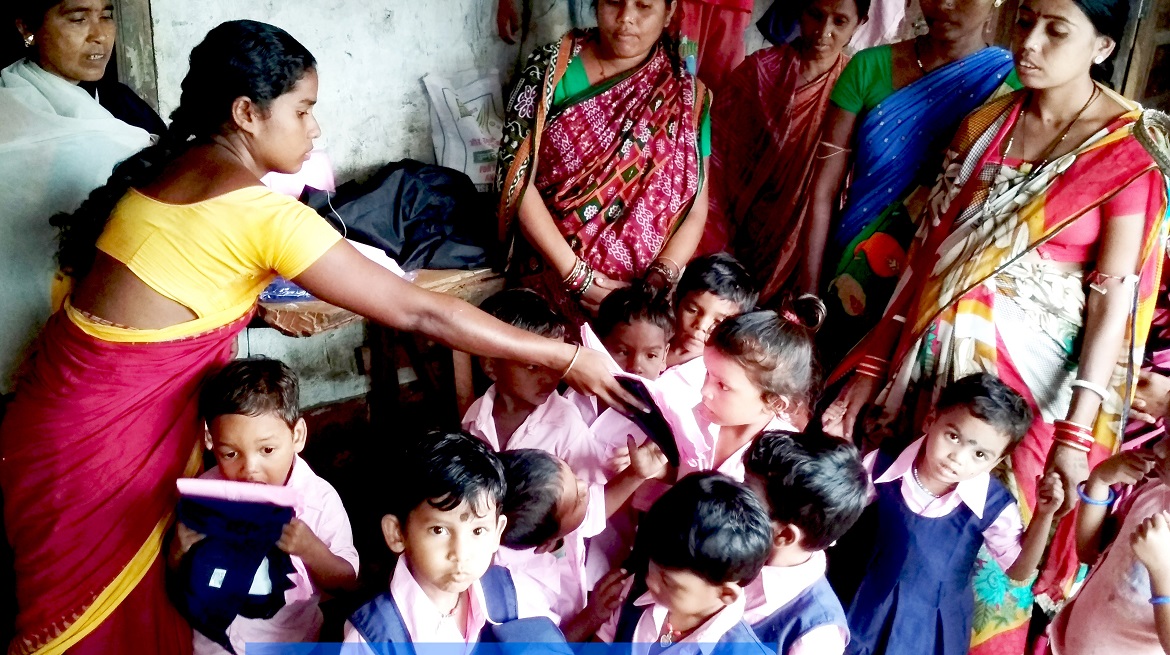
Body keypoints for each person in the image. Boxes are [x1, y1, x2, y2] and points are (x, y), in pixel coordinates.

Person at [0, 20, 636, 655]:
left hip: (56, 427)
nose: (315, 130)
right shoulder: (258, 212)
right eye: (303, 111)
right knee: (84, 628)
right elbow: (422, 313)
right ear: (248, 114)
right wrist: (563, 354)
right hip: (101, 450)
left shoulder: (179, 171)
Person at [823, 1, 1169, 651]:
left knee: (986, 556)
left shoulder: (1126, 159)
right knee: (891, 528)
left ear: (1102, 47)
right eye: (1027, 21)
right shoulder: (984, 124)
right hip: (926, 373)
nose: (1030, 42)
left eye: (1056, 30)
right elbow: (927, 255)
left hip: (1029, 398)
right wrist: (871, 369)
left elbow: (1112, 304)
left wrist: (1075, 431)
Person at [801, 0, 1019, 365]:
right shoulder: (867, 68)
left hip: (936, 284)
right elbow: (823, 192)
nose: (945, 4)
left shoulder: (1012, 86)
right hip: (850, 269)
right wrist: (808, 294)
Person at [496, 0, 711, 324]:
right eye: (614, 2)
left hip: (637, 312)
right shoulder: (551, 72)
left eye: (643, 7)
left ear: (669, 12)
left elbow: (695, 208)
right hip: (546, 285)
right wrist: (577, 277)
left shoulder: (687, 97)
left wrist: (656, 283)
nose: (626, 19)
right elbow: (517, 179)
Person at [844, 374, 1064, 655]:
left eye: (980, 455)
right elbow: (838, 517)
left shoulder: (993, 504)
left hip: (931, 626)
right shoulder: (881, 465)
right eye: (953, 437)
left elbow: (1018, 570)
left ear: (997, 461)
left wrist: (1044, 515)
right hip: (863, 603)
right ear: (930, 420)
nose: (958, 458)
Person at [1, 0, 156, 395]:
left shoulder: (121, 105)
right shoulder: (8, 108)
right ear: (26, 28)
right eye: (77, 18)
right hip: (26, 322)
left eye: (106, 15)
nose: (99, 34)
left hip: (108, 320)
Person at [168, 358, 358, 654]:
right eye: (230, 453)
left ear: (297, 436)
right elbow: (182, 580)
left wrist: (311, 549)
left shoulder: (319, 501)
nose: (249, 469)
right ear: (209, 440)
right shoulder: (207, 495)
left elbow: (348, 584)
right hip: (212, 643)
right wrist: (178, 552)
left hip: (290, 643)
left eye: (267, 450)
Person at [699, 0, 869, 305]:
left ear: (861, 23)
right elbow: (715, 159)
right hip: (739, 231)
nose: (823, 32)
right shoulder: (759, 72)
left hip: (805, 245)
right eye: (815, 14)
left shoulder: (855, 92)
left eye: (840, 21)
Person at [342, 431, 547, 647]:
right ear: (397, 533)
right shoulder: (373, 639)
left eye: (478, 531)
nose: (461, 554)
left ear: (497, 532)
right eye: (439, 530)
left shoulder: (514, 597)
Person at [592, 472, 773, 651]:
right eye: (651, 565)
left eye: (667, 581)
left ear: (726, 594)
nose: (650, 581)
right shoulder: (639, 590)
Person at [496, 443, 667, 626]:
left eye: (574, 476)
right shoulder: (516, 591)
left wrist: (636, 473)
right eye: (578, 499)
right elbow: (553, 645)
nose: (585, 487)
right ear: (546, 544)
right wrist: (592, 615)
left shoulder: (550, 516)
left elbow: (595, 507)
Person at [741, 430, 868, 655]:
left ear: (785, 536)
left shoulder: (816, 636)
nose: (734, 500)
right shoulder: (725, 544)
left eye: (747, 496)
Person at [462, 289, 608, 482]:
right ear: (491, 366)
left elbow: (593, 496)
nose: (549, 378)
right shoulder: (476, 417)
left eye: (555, 365)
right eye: (533, 367)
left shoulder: (565, 423)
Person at [1046, 443, 1170, 654]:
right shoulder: (1154, 492)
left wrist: (1161, 571)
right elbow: (1088, 552)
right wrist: (1100, 480)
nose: (1158, 448)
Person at [663, 252, 758, 391]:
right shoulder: (648, 336)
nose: (701, 326)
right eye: (692, 310)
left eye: (718, 321)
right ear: (676, 302)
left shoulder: (716, 379)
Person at [595, 287, 675, 383]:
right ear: (598, 344)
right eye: (623, 352)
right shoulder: (576, 394)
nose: (636, 367)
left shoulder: (668, 396)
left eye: (651, 355)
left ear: (664, 357)